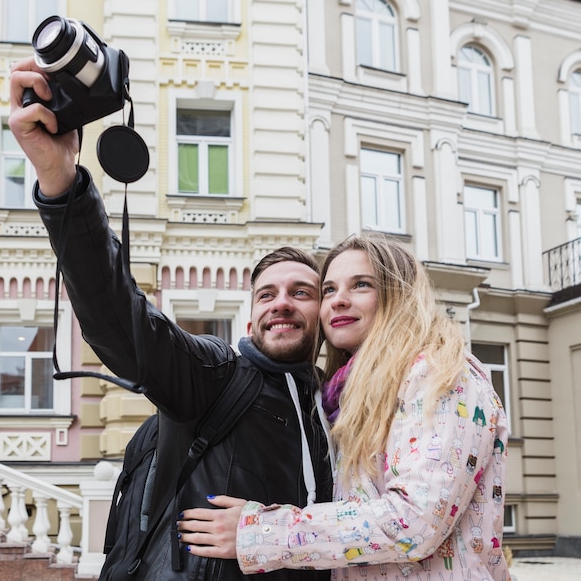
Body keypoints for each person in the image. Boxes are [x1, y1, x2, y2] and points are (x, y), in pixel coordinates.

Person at [8, 56, 333, 580]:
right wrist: (60, 178)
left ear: (324, 313)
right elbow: (121, 321)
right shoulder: (215, 375)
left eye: (302, 292)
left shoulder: (330, 405)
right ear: (251, 319)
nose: (282, 302)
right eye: (267, 294)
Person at [178, 235, 511, 581]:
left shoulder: (441, 373)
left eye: (361, 285)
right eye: (329, 290)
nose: (338, 301)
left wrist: (258, 532)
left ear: (398, 295)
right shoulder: (345, 396)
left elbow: (414, 521)